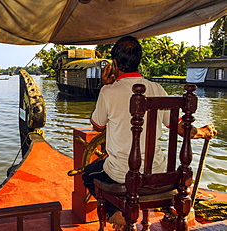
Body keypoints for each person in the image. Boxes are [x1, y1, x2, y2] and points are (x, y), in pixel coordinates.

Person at [82, 36, 217, 230]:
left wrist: (105, 86)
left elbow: (97, 126)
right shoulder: (157, 88)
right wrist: (202, 132)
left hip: (123, 176)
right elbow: (180, 128)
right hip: (160, 173)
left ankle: (115, 212)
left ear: (115, 64)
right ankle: (154, 212)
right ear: (139, 61)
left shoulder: (108, 92)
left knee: (88, 173)